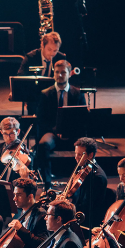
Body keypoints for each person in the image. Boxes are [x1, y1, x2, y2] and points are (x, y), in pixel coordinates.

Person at [34, 59, 87, 189]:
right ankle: (47, 183)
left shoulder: (78, 93)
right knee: (43, 144)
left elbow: (82, 118)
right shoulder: (45, 94)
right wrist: (55, 130)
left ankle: (79, 183)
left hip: (72, 132)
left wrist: (69, 130)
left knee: (85, 145)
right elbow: (41, 119)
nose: (59, 75)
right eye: (57, 72)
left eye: (63, 72)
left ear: (69, 74)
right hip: (52, 132)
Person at [68, 137, 107, 227]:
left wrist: (68, 207)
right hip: (78, 212)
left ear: (90, 155)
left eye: (80, 155)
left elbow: (87, 206)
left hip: (86, 221)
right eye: (75, 153)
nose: (76, 157)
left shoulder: (97, 177)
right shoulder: (83, 169)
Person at [0, 117, 32, 183]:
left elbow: (30, 183)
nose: (8, 137)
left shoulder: (25, 153)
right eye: (5, 133)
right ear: (1, 132)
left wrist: (25, 177)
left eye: (12, 133)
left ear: (18, 132)